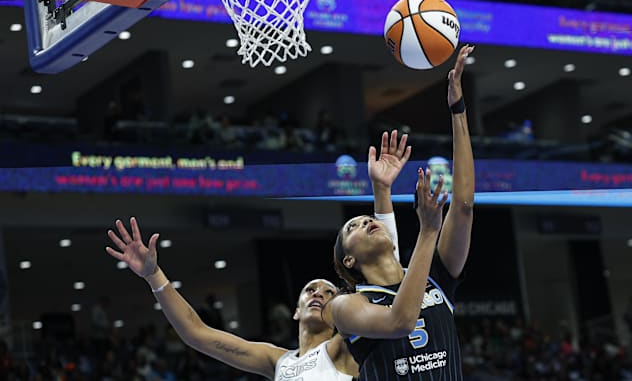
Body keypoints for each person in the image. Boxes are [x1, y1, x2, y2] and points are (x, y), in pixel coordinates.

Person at [104, 129, 412, 380]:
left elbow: (386, 272)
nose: (318, 293)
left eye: (328, 291)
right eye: (310, 290)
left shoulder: (347, 345)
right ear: (295, 310)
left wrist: (381, 194)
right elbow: (197, 334)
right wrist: (152, 274)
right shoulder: (276, 361)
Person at [323, 45, 475, 380]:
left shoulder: (436, 277)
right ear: (349, 260)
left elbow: (463, 207)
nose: (366, 221)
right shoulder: (347, 306)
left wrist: (458, 110)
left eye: (369, 219)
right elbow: (400, 320)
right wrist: (428, 231)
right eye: (353, 227)